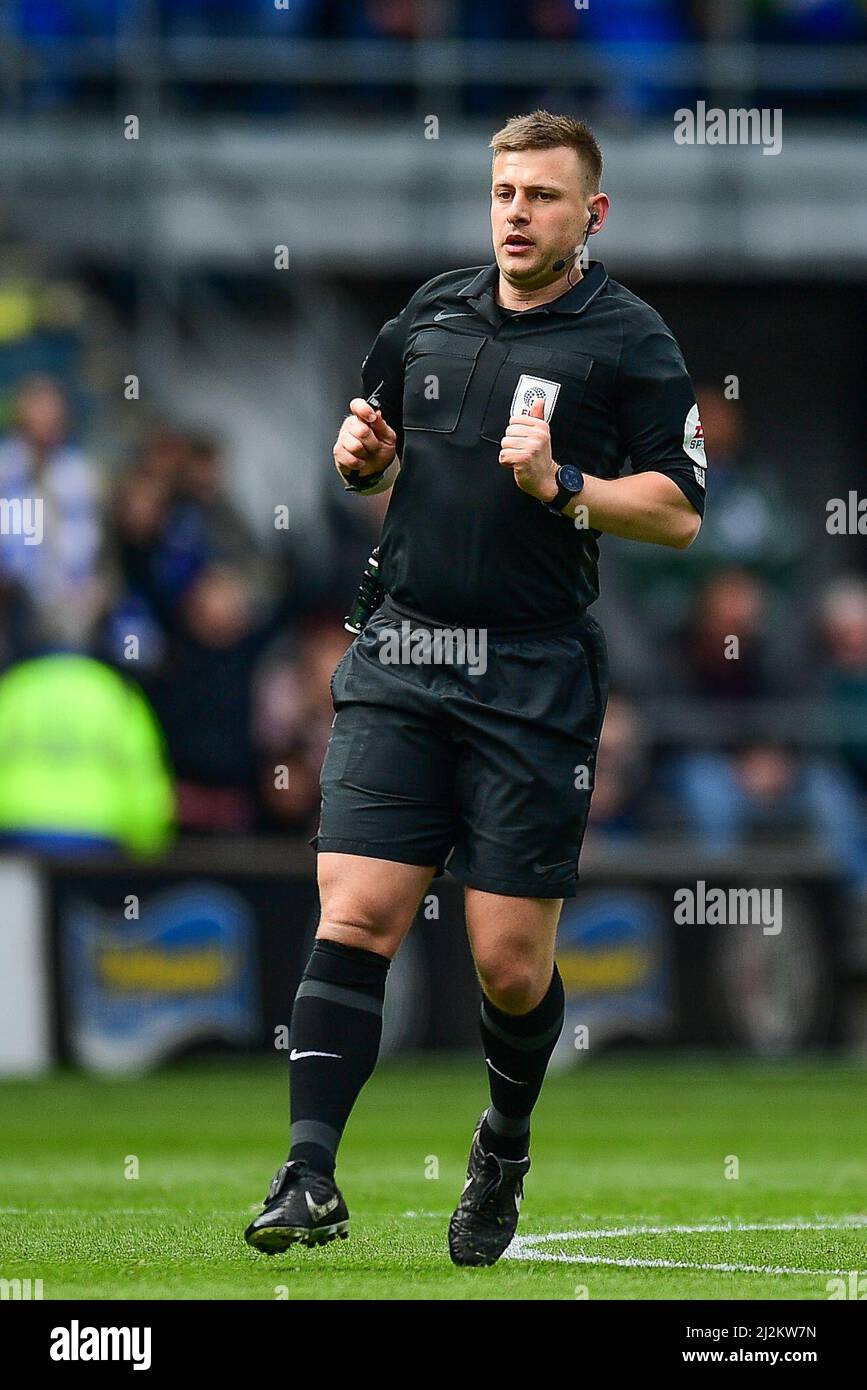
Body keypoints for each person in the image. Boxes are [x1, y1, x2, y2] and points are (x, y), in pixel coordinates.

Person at [245, 110, 706, 1266]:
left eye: (543, 196)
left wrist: (566, 487)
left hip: (533, 673)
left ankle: (502, 1140)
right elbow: (377, 449)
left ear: (590, 215)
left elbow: (680, 509)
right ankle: (308, 1172)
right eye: (505, 192)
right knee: (354, 910)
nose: (517, 213)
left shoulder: (630, 339)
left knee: (509, 961)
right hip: (403, 654)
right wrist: (363, 461)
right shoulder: (431, 315)